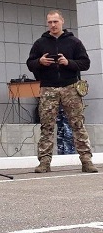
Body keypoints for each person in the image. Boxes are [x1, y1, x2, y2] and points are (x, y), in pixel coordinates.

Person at [26, 9, 97, 173]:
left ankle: (86, 161)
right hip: (48, 88)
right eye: (50, 22)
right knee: (47, 126)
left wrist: (69, 63)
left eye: (55, 22)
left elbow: (85, 63)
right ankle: (44, 162)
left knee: (78, 125)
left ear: (62, 21)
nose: (52, 25)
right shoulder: (40, 43)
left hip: (70, 88)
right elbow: (30, 64)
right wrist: (39, 61)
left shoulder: (74, 42)